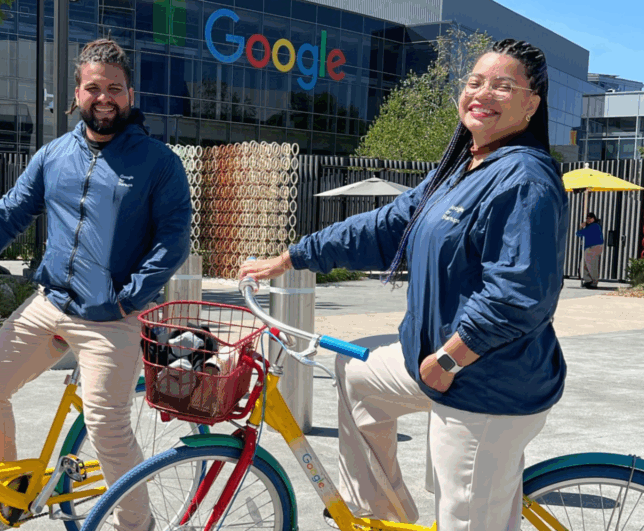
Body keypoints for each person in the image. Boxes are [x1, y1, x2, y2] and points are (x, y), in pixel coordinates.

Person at [239, 39, 568, 531]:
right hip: (436, 365)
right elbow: (384, 227)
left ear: (530, 104)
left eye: (502, 86)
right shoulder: (460, 170)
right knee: (357, 375)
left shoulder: (524, 179)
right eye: (475, 82)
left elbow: (518, 296)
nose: (483, 93)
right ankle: (381, 515)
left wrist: (448, 360)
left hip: (485, 387)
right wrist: (291, 258)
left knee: (466, 520)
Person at [0, 38, 192, 531]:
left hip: (111, 319)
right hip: (50, 305)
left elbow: (173, 240)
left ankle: (137, 526)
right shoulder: (54, 156)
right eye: (94, 88)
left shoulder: (159, 162)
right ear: (77, 93)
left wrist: (128, 299)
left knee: (107, 427)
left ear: (130, 95)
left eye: (115, 88)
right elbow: (8, 215)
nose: (104, 98)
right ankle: (4, 497)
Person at [576, 212, 604, 288]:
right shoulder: (591, 226)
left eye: (590, 218)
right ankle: (588, 280)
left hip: (593, 247)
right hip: (590, 247)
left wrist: (582, 227)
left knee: (592, 265)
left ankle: (594, 282)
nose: (588, 220)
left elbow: (580, 233)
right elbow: (579, 233)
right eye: (587, 218)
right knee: (585, 264)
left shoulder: (594, 226)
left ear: (593, 219)